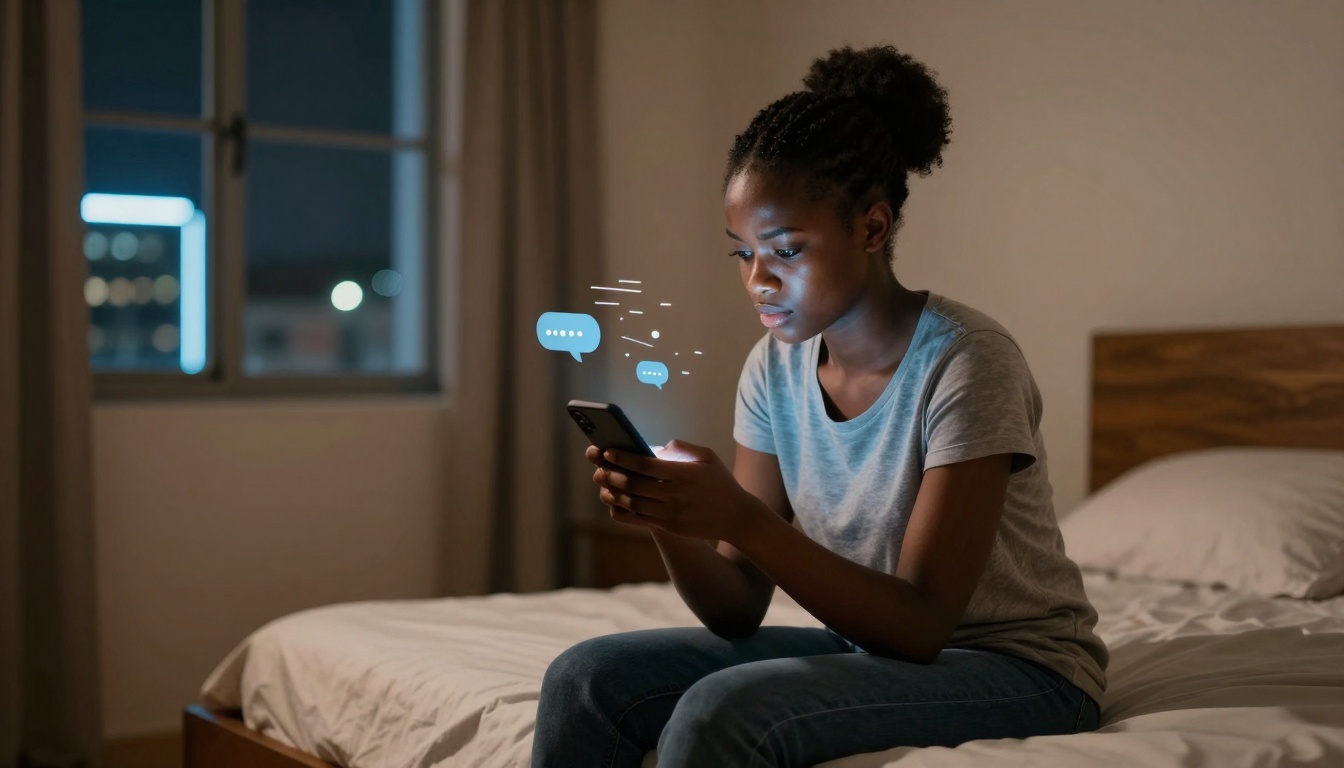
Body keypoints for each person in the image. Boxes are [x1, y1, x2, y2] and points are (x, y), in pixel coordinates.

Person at [532, 44, 1107, 768]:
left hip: (1021, 667)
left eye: (787, 250)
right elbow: (739, 607)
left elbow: (924, 625)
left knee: (721, 714)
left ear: (872, 228)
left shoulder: (968, 362)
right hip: (869, 641)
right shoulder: (774, 368)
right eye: (742, 254)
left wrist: (738, 516)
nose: (758, 282)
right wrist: (670, 520)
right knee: (585, 680)